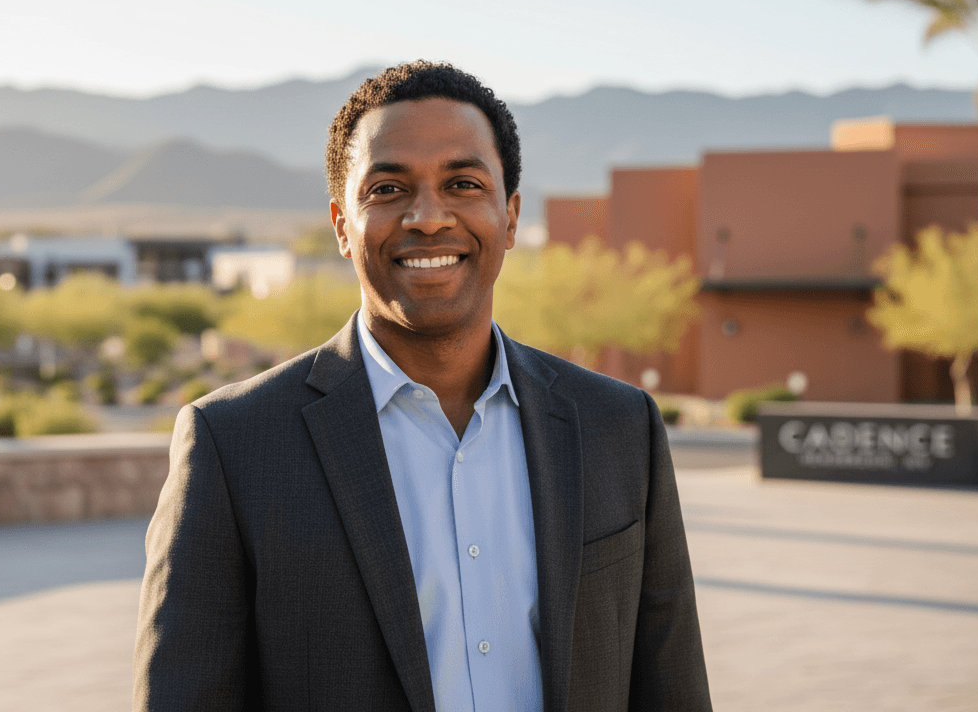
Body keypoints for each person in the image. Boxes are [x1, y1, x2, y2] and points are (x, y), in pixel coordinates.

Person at [133, 61, 711, 712]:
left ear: (510, 215)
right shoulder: (234, 446)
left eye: (462, 183)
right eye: (388, 188)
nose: (428, 217)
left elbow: (672, 686)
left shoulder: (619, 425)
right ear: (341, 225)